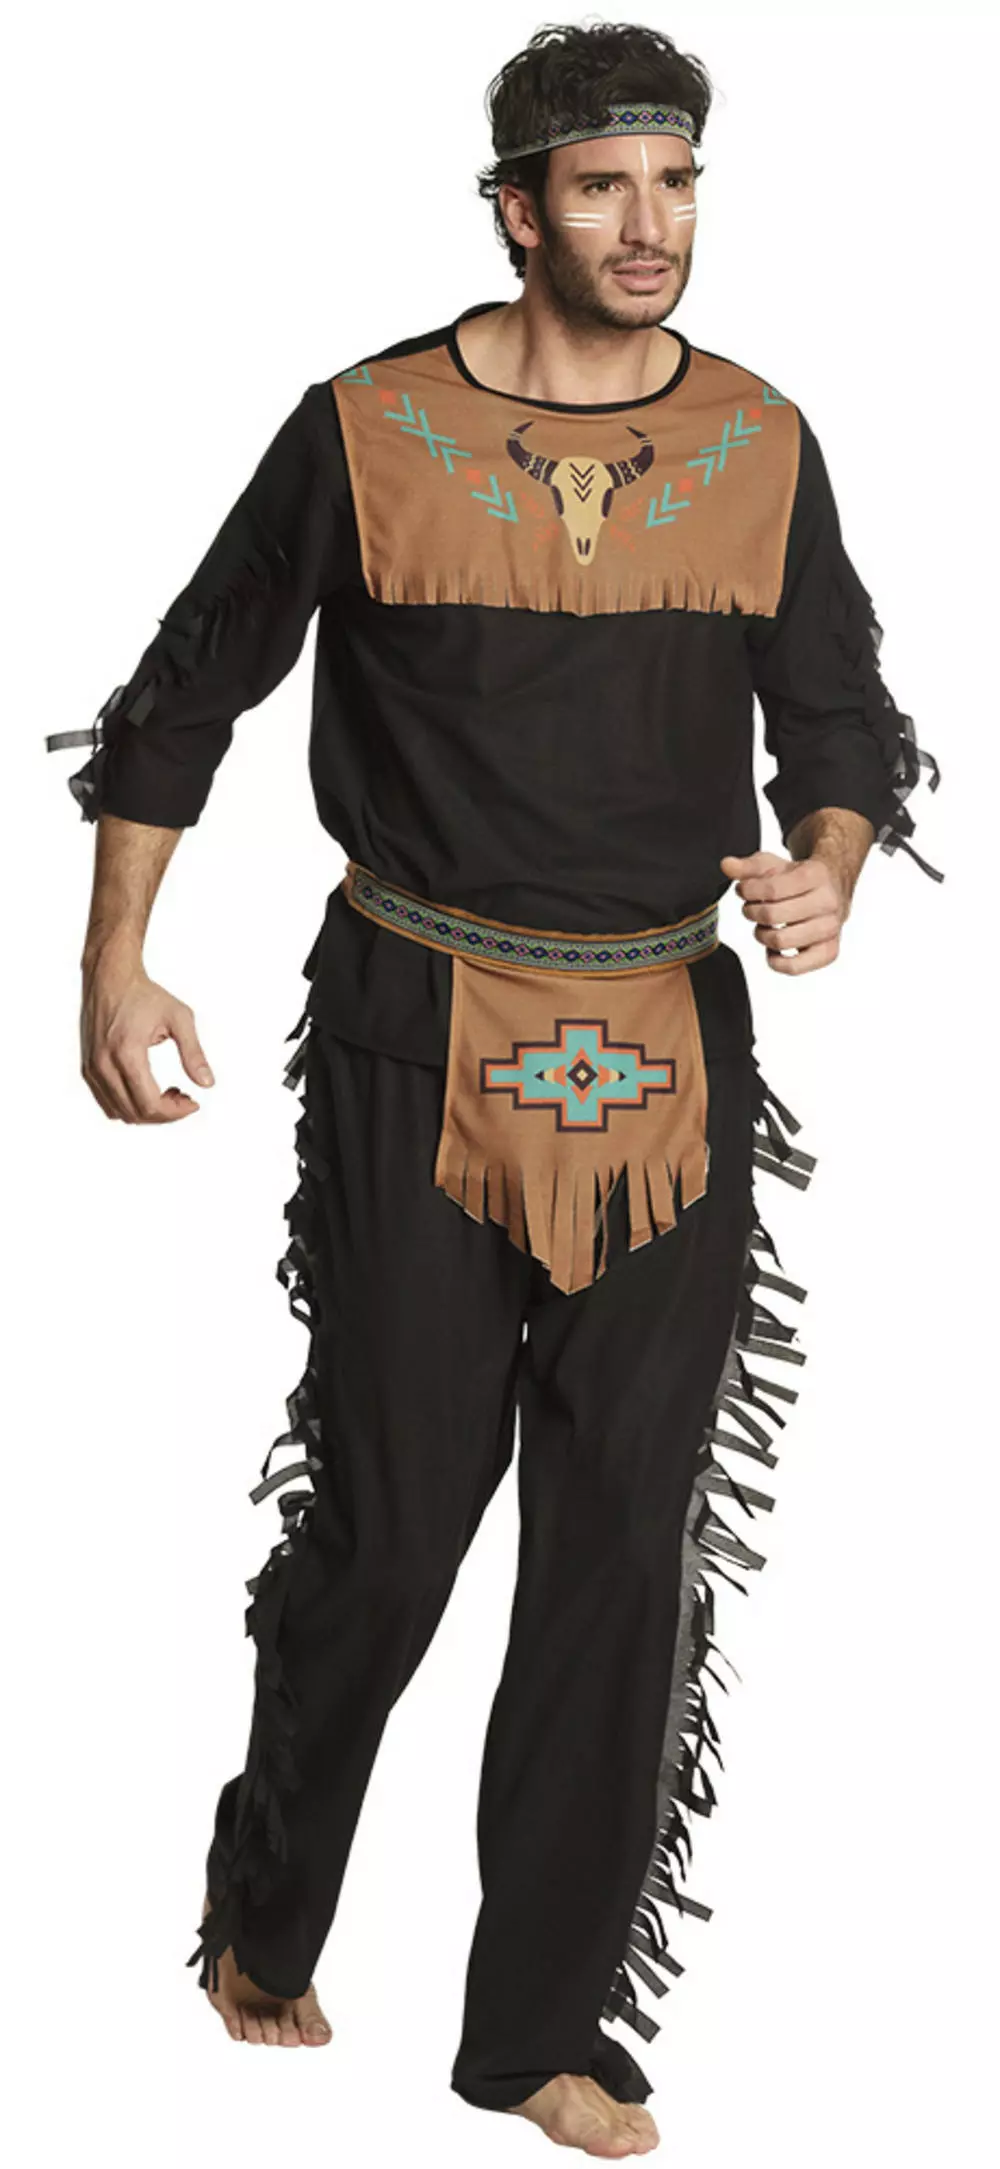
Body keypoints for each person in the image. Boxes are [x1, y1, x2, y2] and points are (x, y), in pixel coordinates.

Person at [46, 20, 942, 2160]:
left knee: (624, 1543)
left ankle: (542, 2026)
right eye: (606, 187)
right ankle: (265, 1907)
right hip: (411, 1030)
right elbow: (186, 690)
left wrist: (825, 866)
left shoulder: (760, 441)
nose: (651, 226)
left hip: (664, 1057)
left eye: (679, 184)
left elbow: (837, 717)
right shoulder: (365, 429)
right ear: (517, 207)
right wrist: (114, 959)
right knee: (390, 1525)